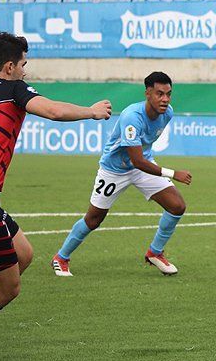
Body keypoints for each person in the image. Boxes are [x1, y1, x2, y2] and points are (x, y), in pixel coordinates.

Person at [0, 31, 111, 361]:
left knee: (22, 254)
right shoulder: (13, 89)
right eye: (23, 64)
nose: (25, 70)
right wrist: (91, 112)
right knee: (7, 287)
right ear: (9, 67)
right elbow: (52, 110)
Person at [52, 72, 190, 277]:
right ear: (147, 93)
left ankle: (155, 252)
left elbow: (144, 153)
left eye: (168, 94)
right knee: (94, 219)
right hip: (114, 170)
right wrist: (173, 173)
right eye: (159, 94)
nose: (165, 99)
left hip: (143, 165)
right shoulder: (131, 117)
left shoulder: (167, 113)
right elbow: (137, 160)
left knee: (177, 205)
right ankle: (61, 257)